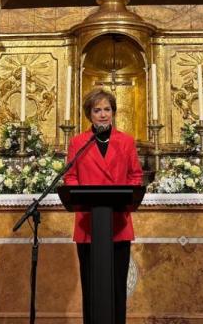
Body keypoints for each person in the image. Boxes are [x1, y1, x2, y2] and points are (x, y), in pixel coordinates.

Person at [64, 88, 144, 324]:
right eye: (97, 110)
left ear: (113, 112)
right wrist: (81, 197)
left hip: (117, 221)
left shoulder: (126, 141)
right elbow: (70, 177)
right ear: (89, 114)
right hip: (88, 223)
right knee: (91, 285)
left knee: (117, 285)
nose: (102, 114)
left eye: (107, 109)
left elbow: (135, 175)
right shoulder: (78, 142)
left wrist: (125, 199)